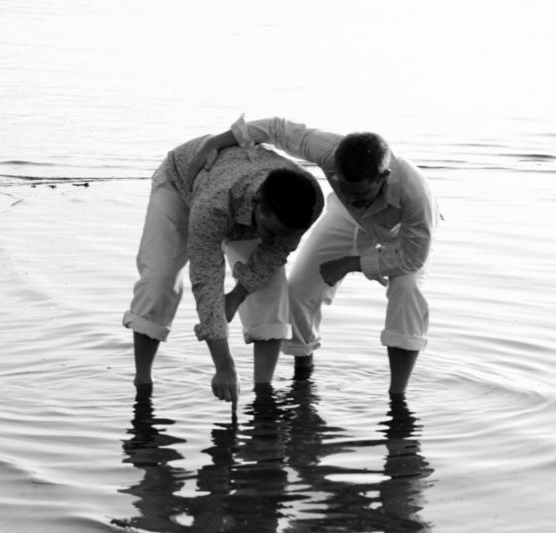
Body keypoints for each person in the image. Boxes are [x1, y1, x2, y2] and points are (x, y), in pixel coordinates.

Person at [189, 116, 439, 397]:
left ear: (383, 178)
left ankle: (397, 397)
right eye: (345, 188)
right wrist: (218, 140)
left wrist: (350, 264)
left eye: (361, 193)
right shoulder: (330, 150)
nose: (353, 198)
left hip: (399, 232)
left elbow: (412, 259)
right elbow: (277, 129)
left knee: (407, 291)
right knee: (296, 292)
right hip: (345, 219)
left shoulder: (416, 194)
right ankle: (303, 377)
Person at [124, 133, 324, 408]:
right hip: (182, 186)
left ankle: (262, 396)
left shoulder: (310, 200)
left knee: (272, 290)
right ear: (257, 204)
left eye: (283, 233)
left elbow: (275, 251)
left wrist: (237, 295)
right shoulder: (212, 206)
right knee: (159, 279)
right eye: (269, 231)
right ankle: (143, 384)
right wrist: (224, 366)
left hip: (242, 192)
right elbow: (206, 280)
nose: (268, 239)